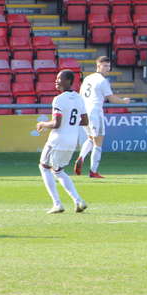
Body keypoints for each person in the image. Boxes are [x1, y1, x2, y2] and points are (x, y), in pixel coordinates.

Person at [36, 70, 89, 214]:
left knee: (44, 167)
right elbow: (85, 120)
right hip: (71, 141)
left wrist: (42, 124)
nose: (56, 81)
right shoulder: (78, 98)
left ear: (69, 81)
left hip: (57, 140)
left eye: (59, 79)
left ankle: (57, 203)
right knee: (58, 170)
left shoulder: (58, 99)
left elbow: (56, 123)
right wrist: (70, 126)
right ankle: (78, 200)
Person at [73, 56, 131, 178]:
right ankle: (93, 171)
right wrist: (123, 101)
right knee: (98, 142)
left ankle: (81, 157)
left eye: (108, 66)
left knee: (90, 138)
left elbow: (80, 95)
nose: (107, 68)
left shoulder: (88, 78)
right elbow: (111, 98)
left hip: (84, 112)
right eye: (104, 66)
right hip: (95, 112)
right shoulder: (102, 81)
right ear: (98, 66)